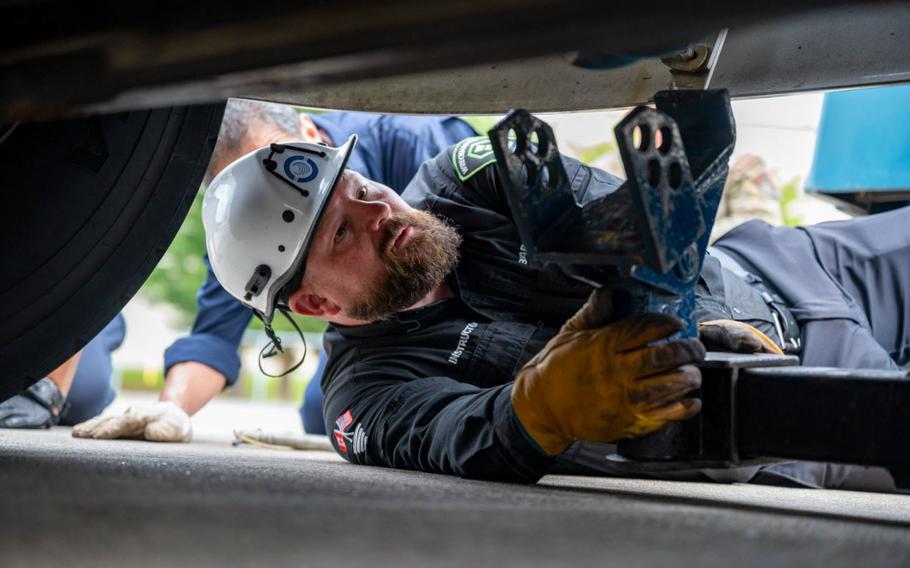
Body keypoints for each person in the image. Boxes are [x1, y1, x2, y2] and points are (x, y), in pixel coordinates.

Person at [186, 130, 906, 489]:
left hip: (791, 267)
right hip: (784, 433)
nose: (379, 210)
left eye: (362, 186)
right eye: (342, 230)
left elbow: (622, 229)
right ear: (313, 302)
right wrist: (541, 407)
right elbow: (466, 435)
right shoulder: (364, 400)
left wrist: (653, 275)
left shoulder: (463, 177)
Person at [70, 99, 476, 440]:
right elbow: (214, 336)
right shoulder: (259, 233)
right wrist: (169, 410)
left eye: (279, 163)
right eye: (259, 192)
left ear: (309, 130)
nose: (280, 196)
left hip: (486, 307)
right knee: (325, 413)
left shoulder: (417, 144)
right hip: (396, 345)